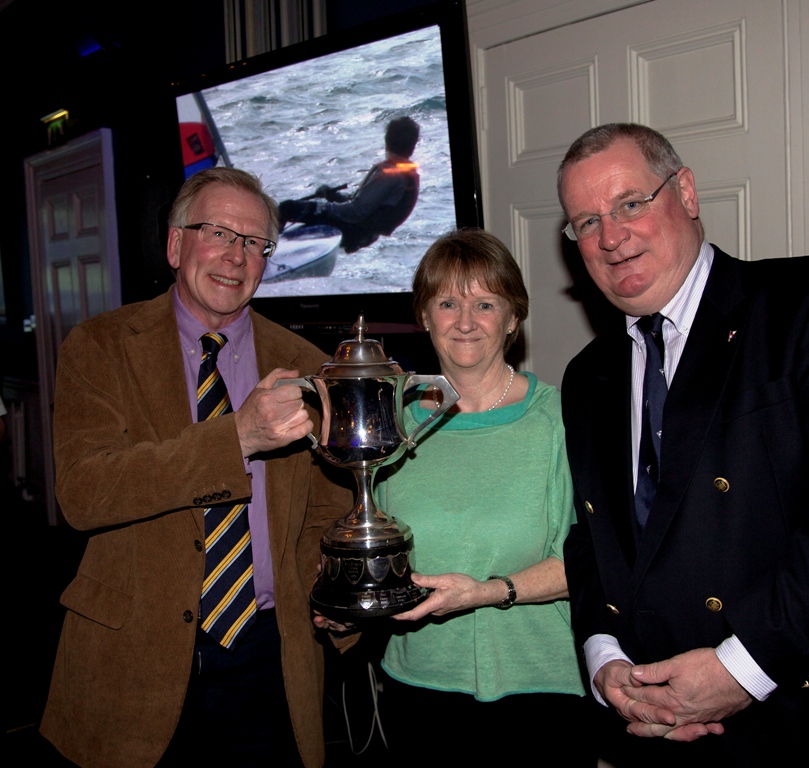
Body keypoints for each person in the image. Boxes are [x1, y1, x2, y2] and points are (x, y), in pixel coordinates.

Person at [556, 123, 809, 764]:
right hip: (669, 735)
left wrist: (742, 668)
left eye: (630, 204)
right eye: (586, 222)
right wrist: (604, 658)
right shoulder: (587, 377)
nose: (610, 238)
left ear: (685, 192)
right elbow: (592, 539)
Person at [40, 167, 354, 768]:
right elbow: (85, 492)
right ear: (175, 244)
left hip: (268, 658)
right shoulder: (101, 346)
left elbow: (324, 513)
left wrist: (334, 595)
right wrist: (236, 437)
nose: (236, 256)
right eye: (218, 233)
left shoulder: (306, 365)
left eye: (255, 243)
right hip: (133, 655)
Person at [361, 228, 590, 764]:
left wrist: (486, 592)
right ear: (425, 316)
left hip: (541, 693)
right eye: (447, 303)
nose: (465, 321)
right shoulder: (389, 426)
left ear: (513, 318)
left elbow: (584, 564)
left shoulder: (558, 421)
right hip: (419, 689)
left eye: (485, 303)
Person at [277, 116, 420, 254]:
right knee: (299, 227)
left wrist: (322, 207)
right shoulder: (406, 175)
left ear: (386, 144)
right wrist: (333, 196)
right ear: (412, 147)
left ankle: (267, 251)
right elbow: (363, 204)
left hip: (351, 229)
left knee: (286, 208)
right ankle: (278, 251)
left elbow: (356, 211)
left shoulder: (390, 174)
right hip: (364, 232)